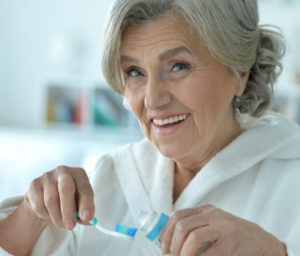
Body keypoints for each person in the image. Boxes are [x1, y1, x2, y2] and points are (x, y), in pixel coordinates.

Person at [0, 0, 299, 255]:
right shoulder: (109, 180)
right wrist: (31, 212)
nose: (153, 100)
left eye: (178, 66)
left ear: (240, 72)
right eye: (135, 72)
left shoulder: (291, 178)